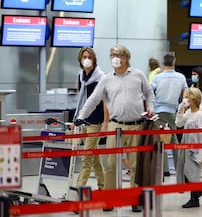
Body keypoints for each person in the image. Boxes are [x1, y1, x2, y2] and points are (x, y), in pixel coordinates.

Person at [75, 45, 155, 213]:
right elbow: (94, 99)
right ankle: (109, 199)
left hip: (136, 125)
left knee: (134, 165)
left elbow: (149, 93)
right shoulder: (106, 79)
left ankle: (135, 199)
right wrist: (81, 116)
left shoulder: (138, 75)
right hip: (115, 125)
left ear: (126, 58)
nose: (114, 57)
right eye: (112, 54)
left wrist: (151, 108)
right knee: (111, 164)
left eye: (117, 54)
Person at [72, 47, 107, 191]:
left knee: (86, 157)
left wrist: (105, 122)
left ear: (94, 59)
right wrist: (78, 117)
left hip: (95, 121)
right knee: (95, 157)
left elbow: (105, 101)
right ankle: (104, 186)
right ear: (80, 59)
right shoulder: (81, 77)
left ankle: (78, 190)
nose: (87, 59)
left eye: (89, 57)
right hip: (84, 120)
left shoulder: (100, 77)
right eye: (84, 57)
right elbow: (82, 100)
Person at [151, 53, 188, 176]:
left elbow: (150, 92)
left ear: (163, 63)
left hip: (158, 111)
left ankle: (164, 169)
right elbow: (186, 94)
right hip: (172, 111)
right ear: (174, 63)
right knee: (173, 139)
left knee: (160, 140)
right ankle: (179, 168)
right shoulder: (181, 77)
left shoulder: (157, 77)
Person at [175, 87, 202, 208]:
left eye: (187, 97)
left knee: (192, 172)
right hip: (185, 144)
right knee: (184, 169)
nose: (184, 99)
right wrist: (180, 111)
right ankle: (196, 192)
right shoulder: (188, 112)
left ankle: (194, 197)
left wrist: (200, 153)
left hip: (194, 148)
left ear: (193, 99)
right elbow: (179, 124)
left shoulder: (201, 115)